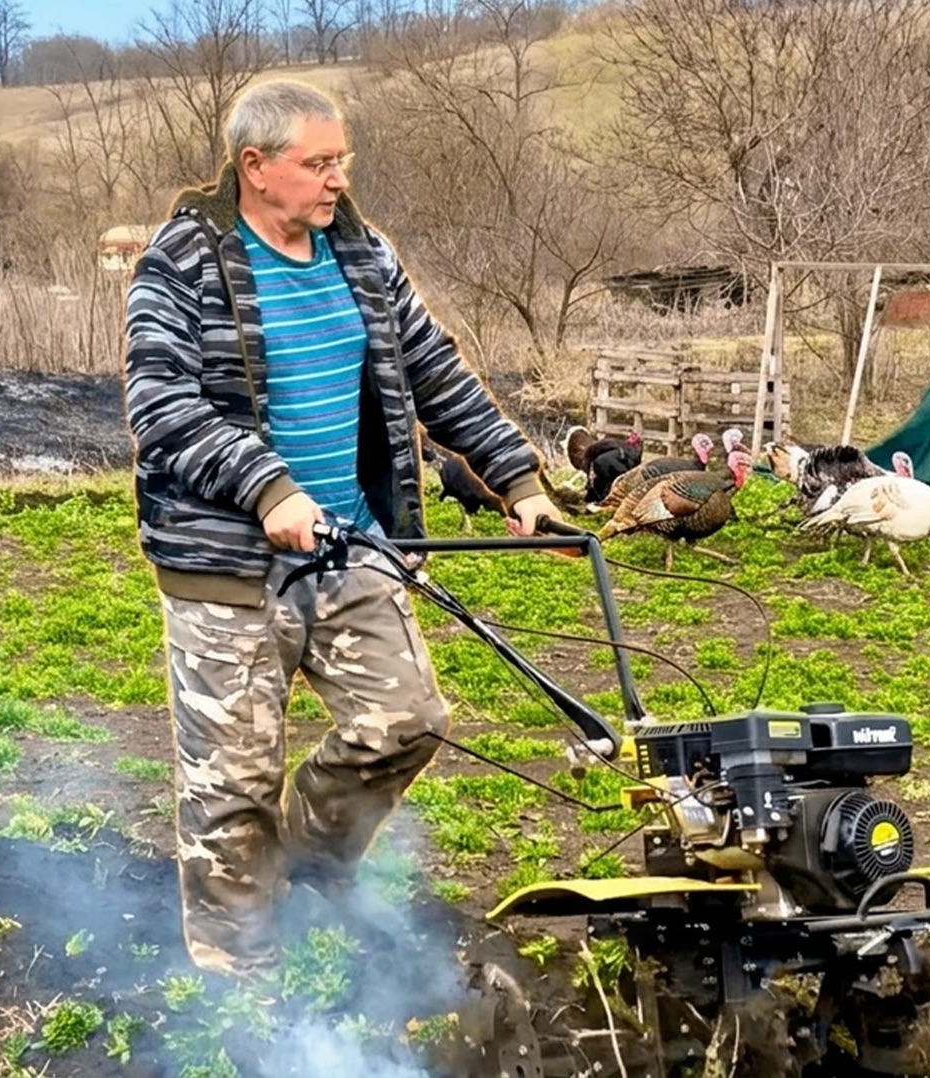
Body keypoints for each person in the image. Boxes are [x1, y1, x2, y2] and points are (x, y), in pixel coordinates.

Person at [121, 77, 562, 985]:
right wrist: (268, 489)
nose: (336, 179)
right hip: (230, 569)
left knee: (404, 722)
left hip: (352, 546)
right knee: (231, 795)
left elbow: (435, 372)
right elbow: (160, 405)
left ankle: (311, 867)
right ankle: (238, 985)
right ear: (256, 166)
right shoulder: (184, 261)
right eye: (317, 163)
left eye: (341, 160)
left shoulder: (359, 251)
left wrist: (516, 478)